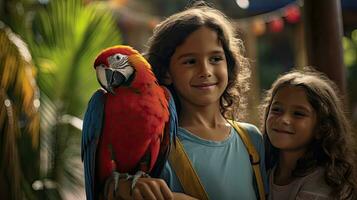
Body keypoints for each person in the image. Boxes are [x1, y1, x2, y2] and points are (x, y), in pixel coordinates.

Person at [105, 2, 268, 199]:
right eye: (190, 61)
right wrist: (122, 188)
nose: (205, 71)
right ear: (166, 73)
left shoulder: (251, 139)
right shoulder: (158, 147)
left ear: (229, 64)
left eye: (215, 59)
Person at [261, 67, 357, 200]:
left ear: (322, 128)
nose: (283, 119)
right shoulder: (264, 170)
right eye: (277, 109)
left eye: (298, 114)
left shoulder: (322, 182)